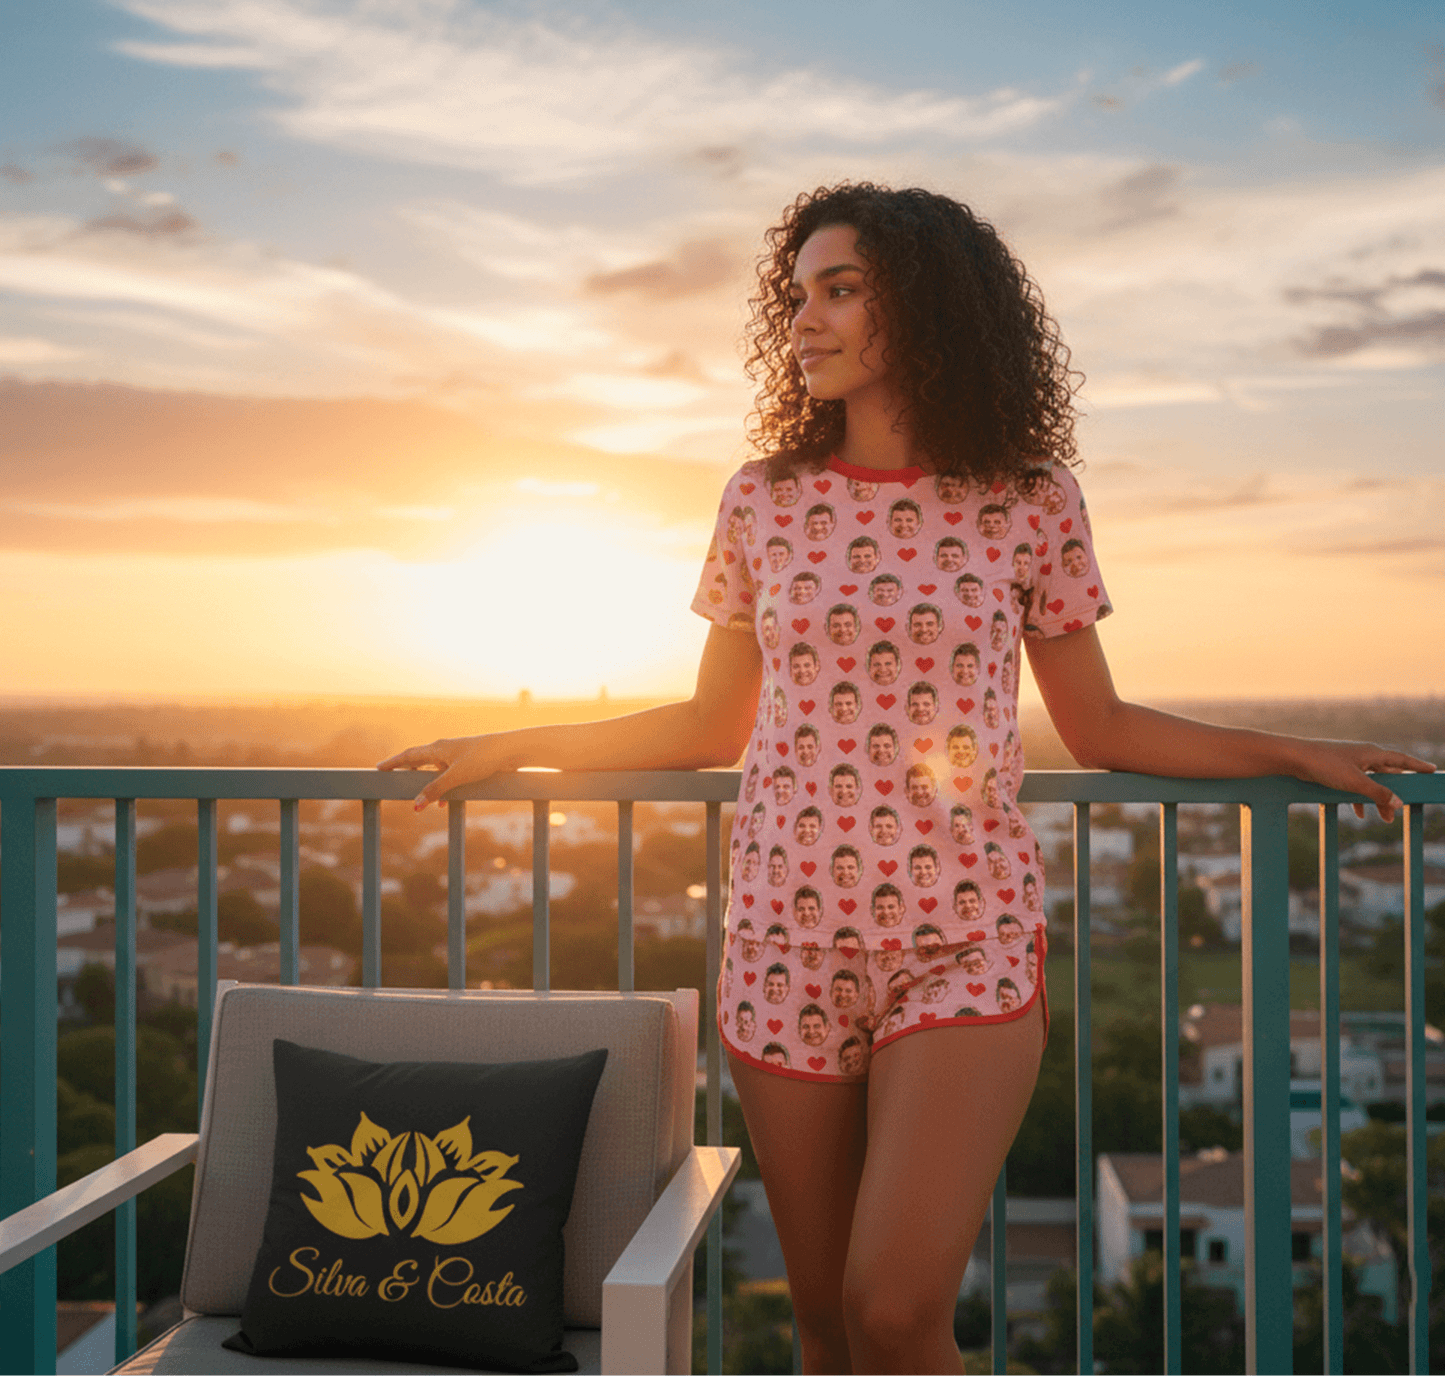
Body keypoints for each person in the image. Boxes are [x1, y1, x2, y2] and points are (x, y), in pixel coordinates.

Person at [380, 181, 1429, 1376]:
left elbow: (1097, 724)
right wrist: (514, 745)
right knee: (825, 1326)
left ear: (924, 307)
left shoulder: (1029, 498)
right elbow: (707, 721)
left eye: (838, 291)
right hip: (781, 945)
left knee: (892, 1310)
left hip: (962, 941)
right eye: (796, 297)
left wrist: (1296, 752)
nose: (804, 322)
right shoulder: (761, 499)